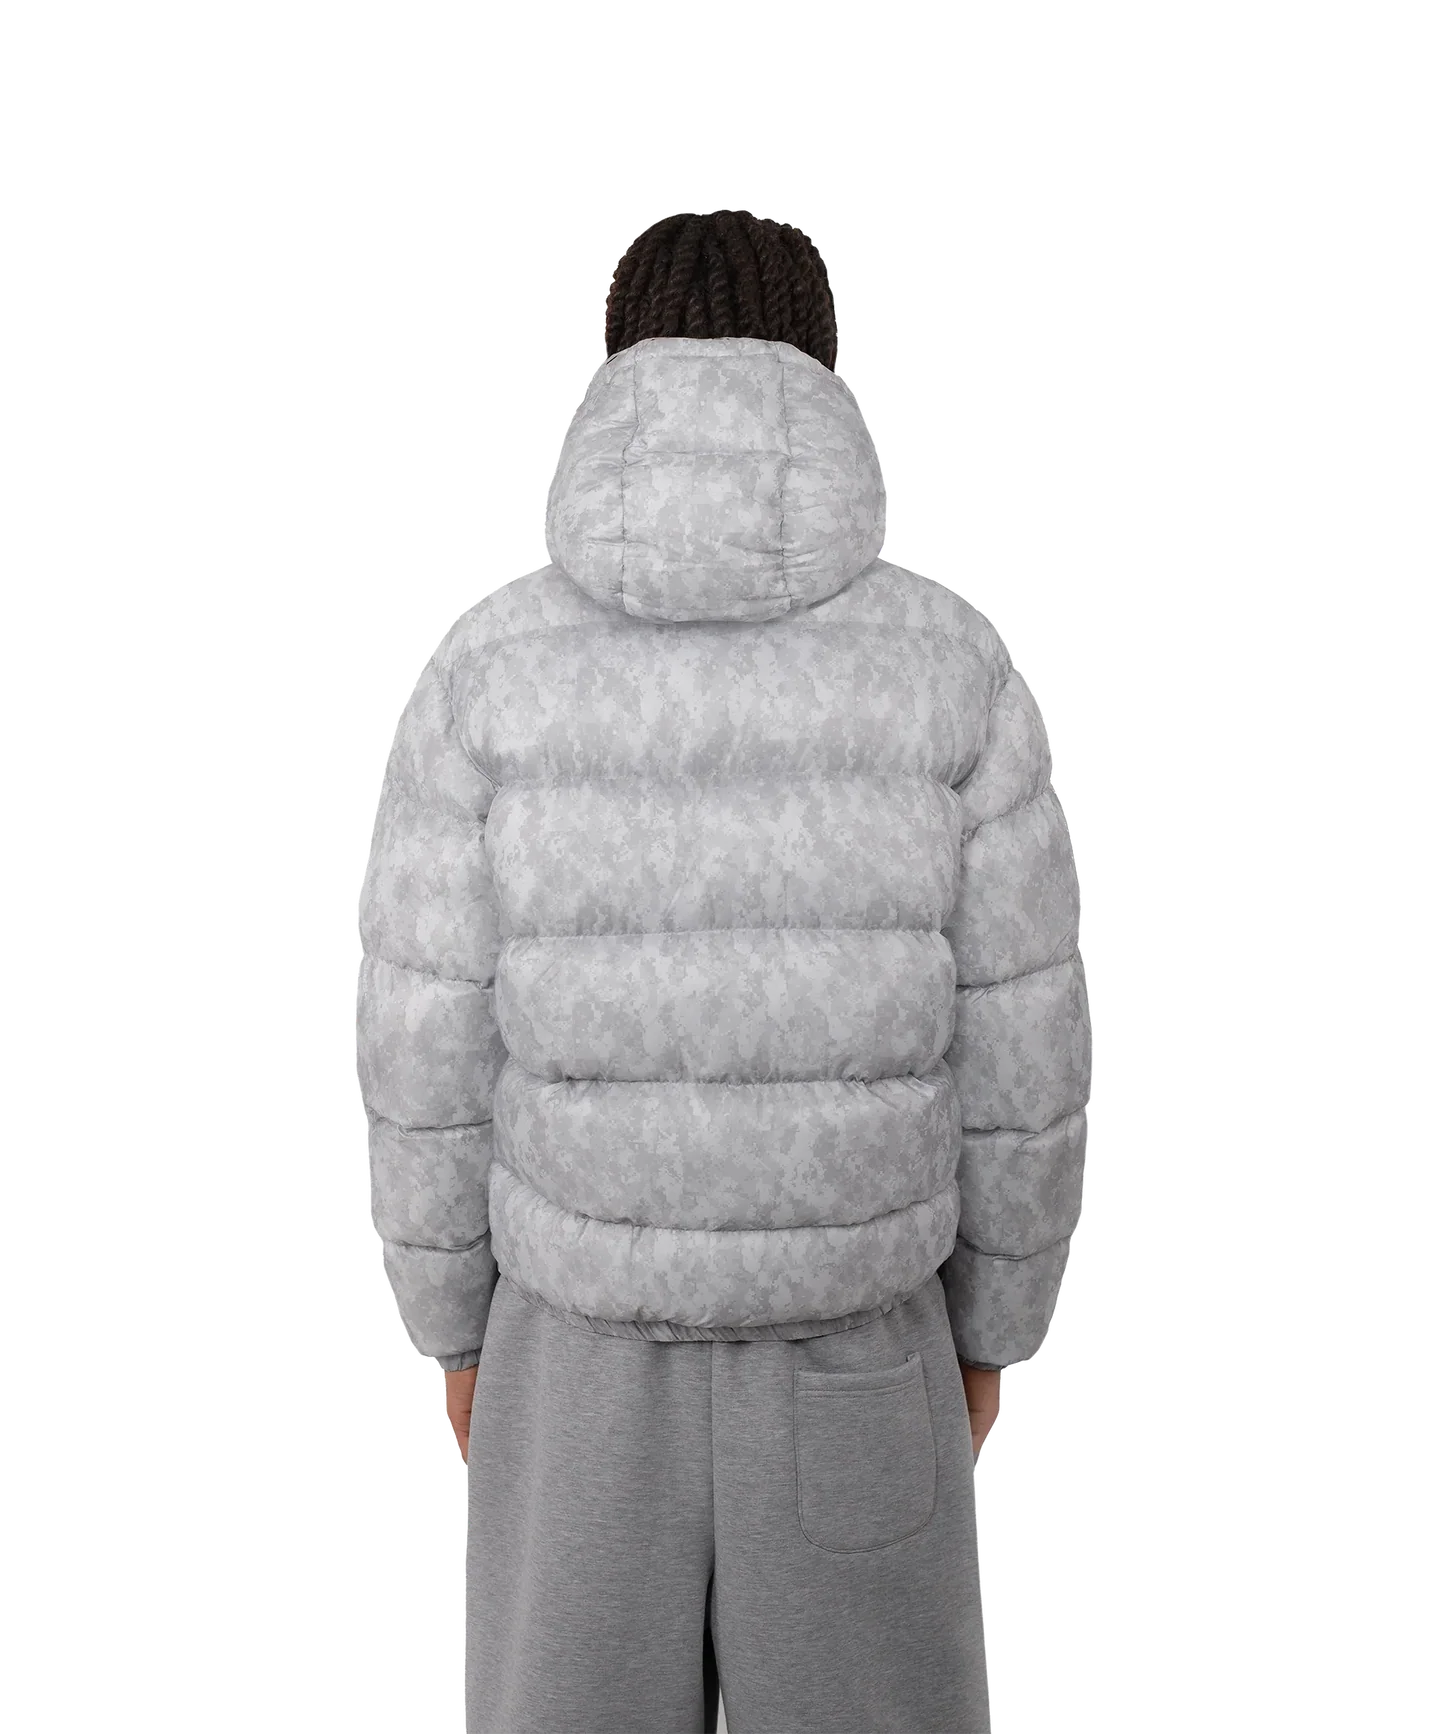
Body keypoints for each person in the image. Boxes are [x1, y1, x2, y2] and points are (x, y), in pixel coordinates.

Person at [355, 208, 1092, 1734]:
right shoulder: (954, 665)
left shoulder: (484, 670)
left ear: (614, 370)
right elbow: (1027, 1051)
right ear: (822, 370)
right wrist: (995, 1327)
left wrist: (452, 1327)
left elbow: (419, 1046)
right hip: (859, 1357)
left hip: (571, 1362)